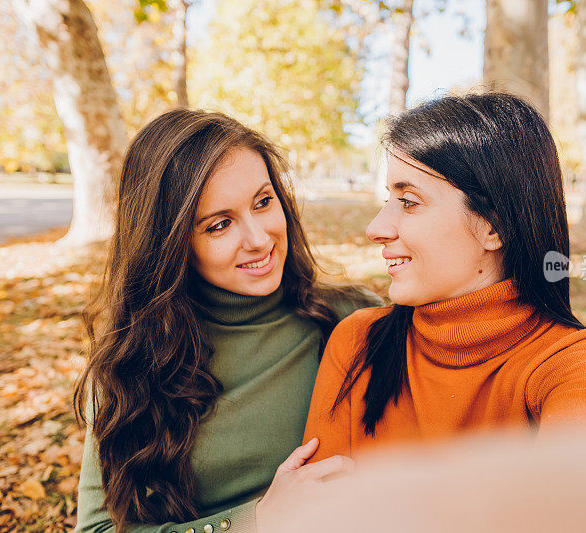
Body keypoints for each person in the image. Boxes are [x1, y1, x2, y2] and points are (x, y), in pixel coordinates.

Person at [74, 109, 375, 532]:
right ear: (170, 243)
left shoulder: (350, 318)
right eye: (219, 225)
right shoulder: (131, 365)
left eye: (263, 202)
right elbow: (97, 529)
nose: (258, 239)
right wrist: (255, 521)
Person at [303, 93, 586, 462]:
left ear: (492, 226)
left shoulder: (581, 370)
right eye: (389, 199)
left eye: (409, 202)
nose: (376, 228)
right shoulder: (359, 341)